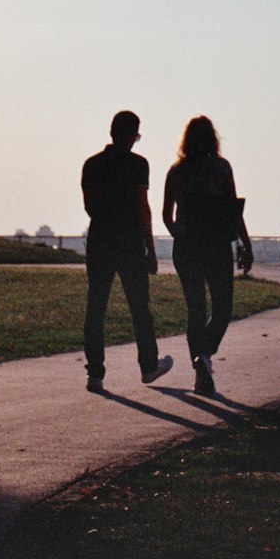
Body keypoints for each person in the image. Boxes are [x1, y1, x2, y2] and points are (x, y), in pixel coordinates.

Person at [81, 110, 172, 393]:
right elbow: (142, 208)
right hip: (129, 242)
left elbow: (89, 206)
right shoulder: (138, 165)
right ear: (133, 135)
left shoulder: (92, 164)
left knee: (96, 306)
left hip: (99, 240)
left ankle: (95, 372)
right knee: (139, 307)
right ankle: (148, 365)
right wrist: (151, 248)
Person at [163, 116, 253, 396]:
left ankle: (200, 363)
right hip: (215, 244)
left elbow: (167, 214)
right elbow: (232, 210)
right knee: (222, 308)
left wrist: (179, 233)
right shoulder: (221, 169)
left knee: (196, 309)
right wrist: (245, 243)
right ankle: (204, 356)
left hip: (187, 245)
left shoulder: (176, 171)